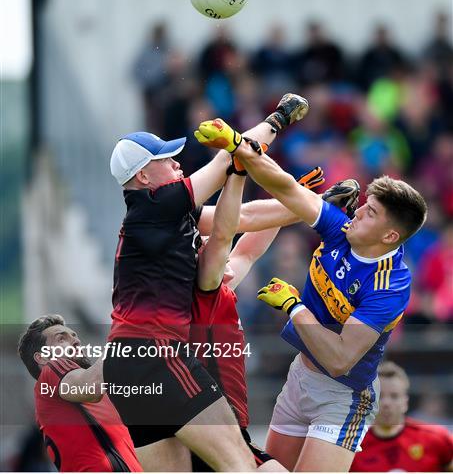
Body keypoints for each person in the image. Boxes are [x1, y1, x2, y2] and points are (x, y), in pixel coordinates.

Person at [194, 117, 428, 472]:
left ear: (390, 236)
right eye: (365, 203)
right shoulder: (343, 229)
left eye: (371, 212)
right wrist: (239, 146)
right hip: (299, 378)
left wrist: (294, 306)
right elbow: (285, 188)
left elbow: (339, 360)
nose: (358, 210)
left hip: (343, 395)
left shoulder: (390, 286)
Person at [105, 94, 309, 471]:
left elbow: (241, 217)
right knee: (242, 466)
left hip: (124, 366)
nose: (177, 163)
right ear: (144, 177)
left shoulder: (159, 216)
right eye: (166, 159)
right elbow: (229, 157)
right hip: (157, 354)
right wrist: (278, 119)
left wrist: (312, 205)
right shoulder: (158, 204)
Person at [17, 315, 142, 472]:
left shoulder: (103, 395)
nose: (76, 341)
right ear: (42, 357)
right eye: (61, 339)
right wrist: (122, 333)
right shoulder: (50, 372)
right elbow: (91, 386)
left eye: (74, 336)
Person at [351, 361, 453, 472]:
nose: (386, 403)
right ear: (369, 401)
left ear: (405, 402)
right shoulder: (353, 446)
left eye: (394, 396)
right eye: (380, 396)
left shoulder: (436, 438)